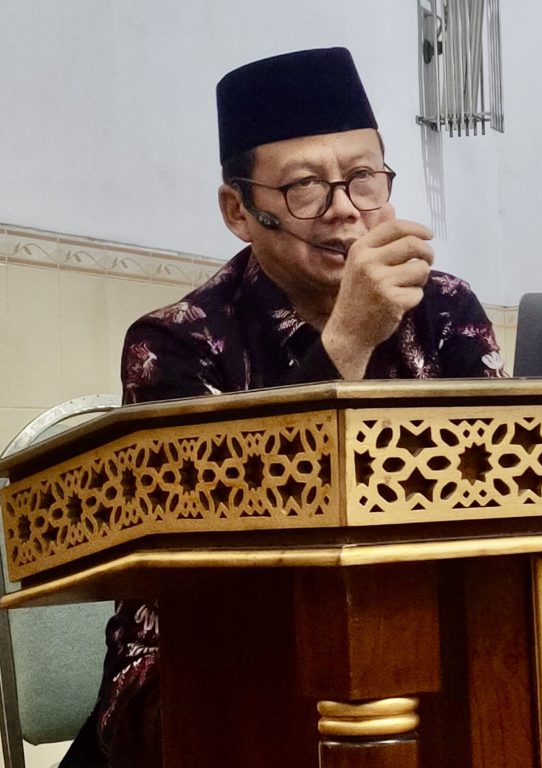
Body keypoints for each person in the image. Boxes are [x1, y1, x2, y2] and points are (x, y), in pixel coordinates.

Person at [61, 47, 506, 768]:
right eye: (305, 188)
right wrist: (348, 338)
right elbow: (223, 546)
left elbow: (501, 487)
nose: (345, 210)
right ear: (240, 211)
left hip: (412, 635)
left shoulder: (445, 308)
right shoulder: (174, 342)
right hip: (204, 665)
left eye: (364, 178)